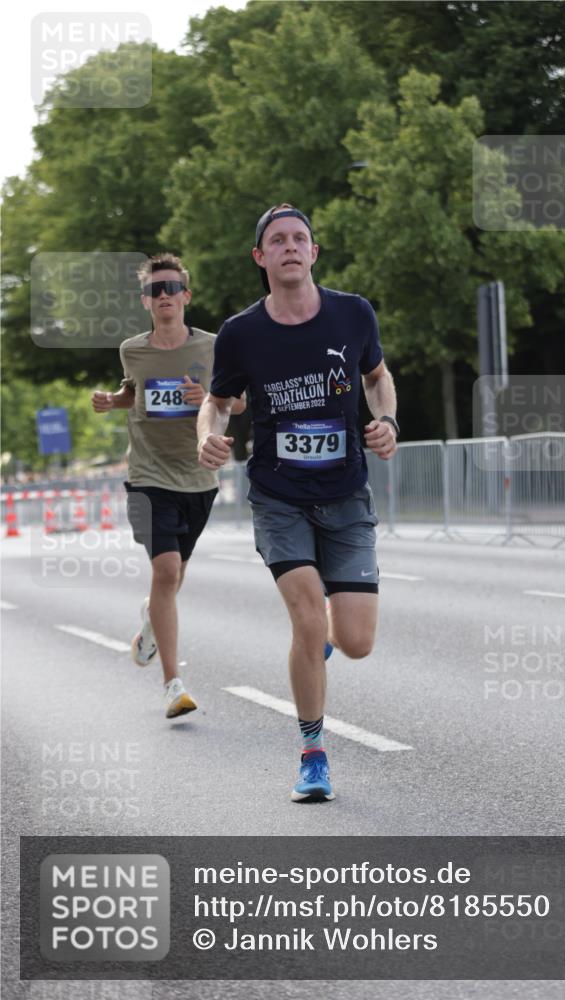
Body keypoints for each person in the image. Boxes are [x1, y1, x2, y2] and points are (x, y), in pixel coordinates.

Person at [197, 204, 398, 801]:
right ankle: (313, 754)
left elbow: (377, 377)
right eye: (277, 240)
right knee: (308, 621)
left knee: (356, 642)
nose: (290, 246)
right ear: (261, 257)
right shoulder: (241, 333)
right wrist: (207, 433)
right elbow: (218, 401)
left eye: (299, 238)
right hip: (279, 496)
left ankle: (325, 642)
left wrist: (386, 418)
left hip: (344, 495)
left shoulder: (353, 314)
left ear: (314, 253)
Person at [92, 252, 245, 719]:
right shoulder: (131, 350)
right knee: (166, 569)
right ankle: (172, 683)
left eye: (172, 288)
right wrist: (111, 401)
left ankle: (150, 622)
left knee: (173, 576)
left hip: (199, 476)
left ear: (186, 296)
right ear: (145, 300)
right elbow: (132, 393)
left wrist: (208, 400)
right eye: (156, 290)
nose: (165, 296)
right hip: (146, 475)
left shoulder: (214, 346)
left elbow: (237, 404)